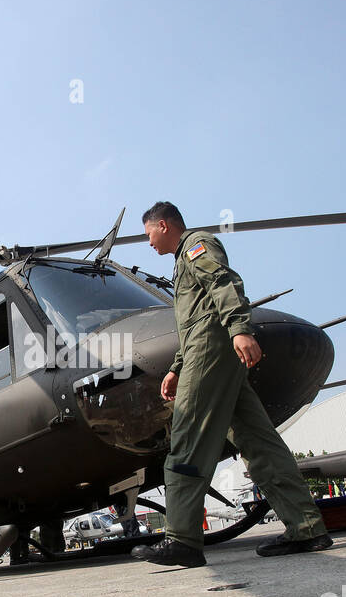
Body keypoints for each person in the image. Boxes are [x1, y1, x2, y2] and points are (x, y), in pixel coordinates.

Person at [130, 202, 332, 568]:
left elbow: (223, 282)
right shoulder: (181, 262)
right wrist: (176, 367)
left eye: (148, 235)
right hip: (208, 354)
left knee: (187, 437)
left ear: (163, 225)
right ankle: (307, 526)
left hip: (210, 354)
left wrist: (240, 328)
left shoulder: (196, 245)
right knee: (259, 442)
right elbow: (193, 320)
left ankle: (182, 539)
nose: (148, 243)